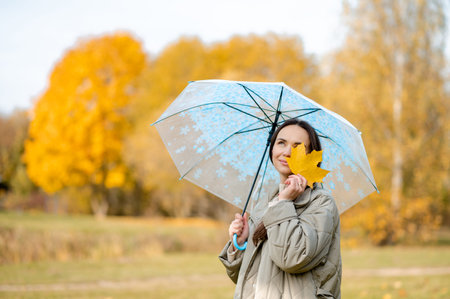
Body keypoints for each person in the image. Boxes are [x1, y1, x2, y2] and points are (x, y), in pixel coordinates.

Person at [219, 118, 342, 299]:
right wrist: (241, 244)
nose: (286, 152)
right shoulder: (266, 203)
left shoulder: (321, 203)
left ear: (310, 156)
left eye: (297, 147)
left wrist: (284, 203)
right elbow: (245, 278)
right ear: (272, 148)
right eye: (281, 143)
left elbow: (292, 259)